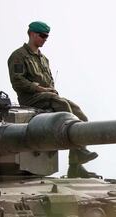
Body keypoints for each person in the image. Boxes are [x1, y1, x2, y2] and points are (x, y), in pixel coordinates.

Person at [8, 21, 98, 178]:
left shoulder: (44, 59)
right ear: (31, 34)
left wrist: (49, 91)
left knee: (80, 114)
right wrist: (39, 88)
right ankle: (80, 151)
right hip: (30, 98)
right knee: (62, 104)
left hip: (48, 97)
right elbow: (18, 81)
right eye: (42, 36)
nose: (44, 39)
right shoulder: (18, 56)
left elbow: (49, 82)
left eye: (46, 37)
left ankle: (75, 166)